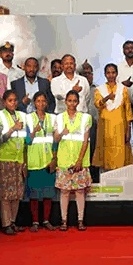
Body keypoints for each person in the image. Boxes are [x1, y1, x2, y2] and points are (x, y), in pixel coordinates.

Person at [0, 88, 29, 234]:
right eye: (10, 100)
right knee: (5, 195)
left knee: (17, 194)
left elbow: (25, 141)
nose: (13, 103)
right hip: (5, 159)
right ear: (4, 102)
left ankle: (13, 222)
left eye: (15, 100)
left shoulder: (22, 115)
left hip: (18, 159)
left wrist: (25, 161)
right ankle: (6, 223)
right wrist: (12, 129)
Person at [54, 89, 92, 231]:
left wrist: (79, 160)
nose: (72, 103)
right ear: (65, 102)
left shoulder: (85, 118)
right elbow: (56, 139)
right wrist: (61, 133)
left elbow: (85, 141)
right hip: (64, 160)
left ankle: (80, 220)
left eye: (74, 101)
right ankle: (64, 221)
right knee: (64, 192)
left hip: (79, 160)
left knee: (79, 191)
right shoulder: (58, 118)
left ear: (78, 102)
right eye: (69, 101)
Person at [25, 92, 57, 230]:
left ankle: (46, 220)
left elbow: (55, 141)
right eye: (38, 101)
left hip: (48, 161)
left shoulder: (53, 118)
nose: (41, 103)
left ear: (47, 103)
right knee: (34, 195)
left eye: (43, 101)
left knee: (48, 194)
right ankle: (35, 222)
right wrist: (33, 131)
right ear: (34, 102)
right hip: (34, 162)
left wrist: (54, 159)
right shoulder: (28, 118)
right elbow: (26, 141)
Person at [94, 65, 133, 172]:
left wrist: (128, 130)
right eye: (108, 73)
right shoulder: (99, 89)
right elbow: (98, 104)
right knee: (105, 153)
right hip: (105, 127)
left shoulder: (123, 89)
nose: (111, 75)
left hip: (120, 127)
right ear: (105, 74)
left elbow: (128, 111)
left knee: (120, 154)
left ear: (116, 74)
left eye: (113, 72)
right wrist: (107, 97)